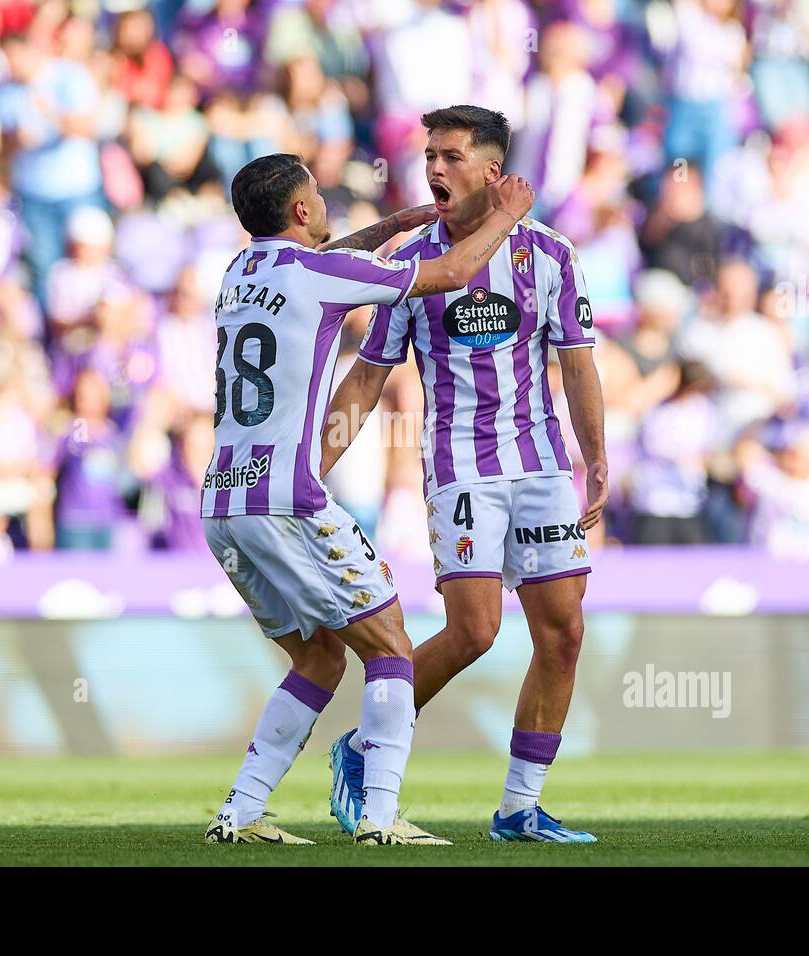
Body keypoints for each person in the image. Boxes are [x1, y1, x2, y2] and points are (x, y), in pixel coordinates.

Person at [203, 151, 534, 846]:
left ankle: (239, 813)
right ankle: (380, 818)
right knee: (388, 646)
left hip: (223, 505)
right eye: (317, 196)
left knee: (320, 658)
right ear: (301, 210)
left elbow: (322, 257)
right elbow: (451, 273)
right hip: (288, 498)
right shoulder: (318, 274)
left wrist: (392, 225)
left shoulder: (238, 274)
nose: (325, 207)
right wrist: (505, 213)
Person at [321, 106, 608, 843]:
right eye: (430, 156)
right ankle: (362, 745)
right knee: (476, 630)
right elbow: (367, 378)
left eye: (451, 156)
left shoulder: (549, 255)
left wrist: (595, 456)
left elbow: (577, 363)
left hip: (541, 465)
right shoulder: (413, 264)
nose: (435, 169)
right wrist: (315, 465)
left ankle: (519, 807)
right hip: (460, 468)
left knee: (564, 633)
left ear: (492, 170)